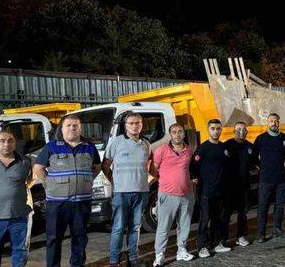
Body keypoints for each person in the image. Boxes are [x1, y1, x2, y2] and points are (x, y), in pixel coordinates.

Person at [34, 115, 102, 267]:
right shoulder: (51, 147)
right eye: (68, 125)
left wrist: (87, 179)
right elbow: (38, 168)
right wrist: (50, 184)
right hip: (57, 203)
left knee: (80, 237)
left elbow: (97, 167)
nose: (72, 128)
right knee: (53, 238)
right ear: (62, 128)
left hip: (82, 202)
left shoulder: (89, 146)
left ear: (80, 128)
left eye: (75, 125)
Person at [102, 112, 155, 267]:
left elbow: (150, 166)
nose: (134, 126)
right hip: (121, 193)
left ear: (142, 124)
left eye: (138, 123)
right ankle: (114, 261)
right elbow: (105, 165)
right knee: (118, 228)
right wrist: (115, 181)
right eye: (131, 123)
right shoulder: (116, 142)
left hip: (141, 191)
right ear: (125, 126)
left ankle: (133, 259)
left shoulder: (146, 144)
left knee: (135, 227)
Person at [152, 124, 195, 267]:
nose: (177, 135)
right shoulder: (161, 150)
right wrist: (165, 181)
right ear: (170, 134)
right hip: (167, 194)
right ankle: (159, 255)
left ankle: (181, 251)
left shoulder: (189, 150)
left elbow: (189, 169)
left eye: (180, 132)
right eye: (174, 132)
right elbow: (153, 170)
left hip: (186, 194)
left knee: (184, 225)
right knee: (163, 227)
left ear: (184, 134)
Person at [191, 119, 232, 258]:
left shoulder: (223, 148)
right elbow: (193, 167)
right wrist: (195, 178)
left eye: (218, 128)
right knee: (205, 220)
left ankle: (216, 243)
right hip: (206, 191)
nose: (216, 131)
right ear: (208, 130)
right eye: (213, 128)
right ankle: (202, 246)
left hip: (221, 191)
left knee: (218, 219)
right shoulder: (202, 148)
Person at [0, 131, 34, 267]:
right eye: (2, 141)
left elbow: (30, 180)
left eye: (10, 141)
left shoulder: (25, 162)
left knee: (20, 251)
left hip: (19, 216)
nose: (6, 144)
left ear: (15, 143)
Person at [254, 113, 285, 242]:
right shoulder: (261, 139)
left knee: (280, 206)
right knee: (263, 206)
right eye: (271, 121)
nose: (274, 123)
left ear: (279, 122)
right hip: (266, 179)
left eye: (276, 121)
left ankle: (277, 229)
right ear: (268, 122)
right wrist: (261, 166)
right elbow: (254, 156)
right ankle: (261, 233)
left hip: (281, 179)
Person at [222, 122, 258, 247]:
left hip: (244, 186)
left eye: (244, 129)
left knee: (243, 212)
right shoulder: (227, 146)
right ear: (233, 131)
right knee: (226, 213)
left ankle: (241, 236)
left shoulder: (250, 147)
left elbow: (256, 163)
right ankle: (222, 239)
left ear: (247, 131)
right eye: (238, 129)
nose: (241, 132)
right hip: (229, 186)